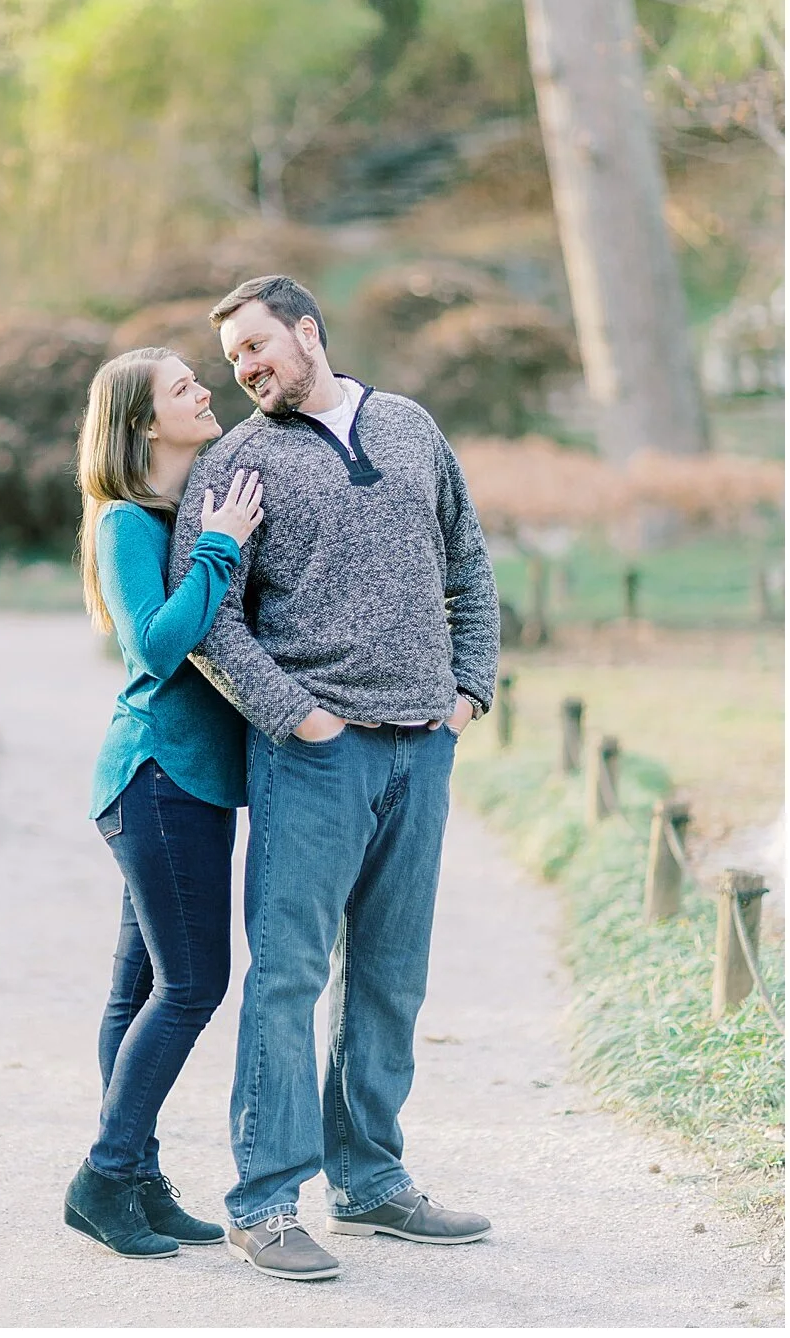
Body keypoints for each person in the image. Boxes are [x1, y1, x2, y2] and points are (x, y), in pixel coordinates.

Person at [169, 275, 500, 1282]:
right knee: (288, 974)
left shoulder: (407, 425)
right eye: (234, 361)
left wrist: (470, 688)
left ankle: (370, 1182)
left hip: (422, 744)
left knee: (392, 973)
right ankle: (264, 1201)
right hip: (313, 756)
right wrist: (295, 714)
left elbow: (469, 561)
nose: (247, 369)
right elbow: (208, 619)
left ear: (308, 331)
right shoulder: (235, 462)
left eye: (259, 346)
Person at [64, 346, 264, 1260]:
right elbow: (155, 648)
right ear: (145, 423)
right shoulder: (127, 524)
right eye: (183, 386)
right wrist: (221, 545)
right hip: (157, 777)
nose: (204, 390)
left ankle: (135, 1183)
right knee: (193, 984)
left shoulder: (174, 511)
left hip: (184, 782)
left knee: (137, 986)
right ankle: (105, 1177)